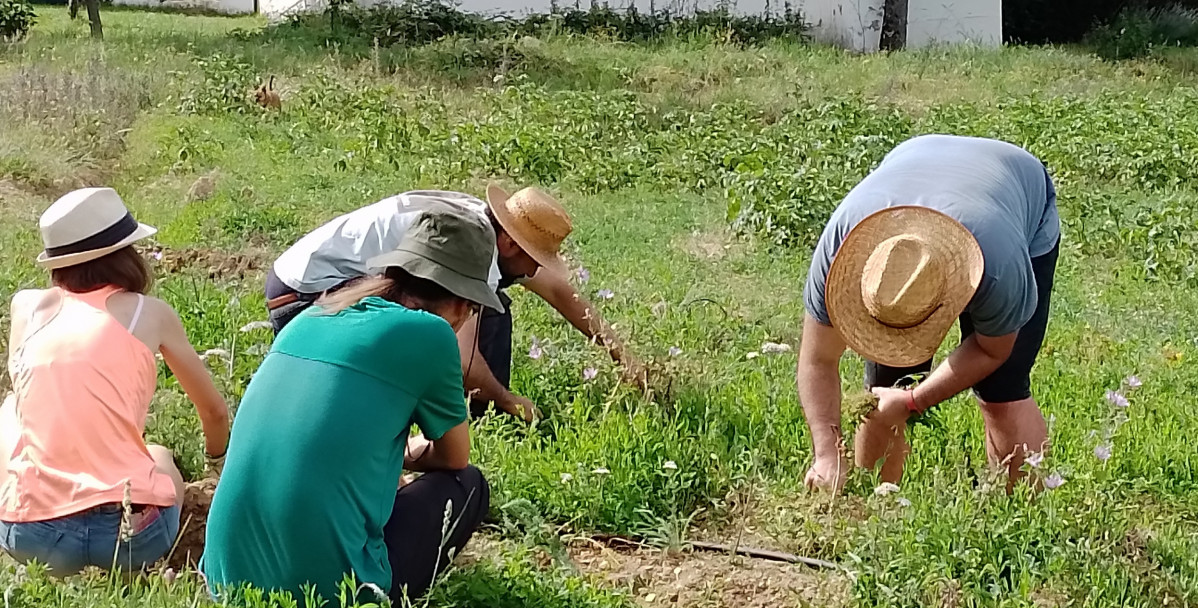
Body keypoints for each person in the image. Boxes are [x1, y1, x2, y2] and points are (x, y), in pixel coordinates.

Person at [201, 205, 496, 605]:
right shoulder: (431, 334)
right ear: (463, 302)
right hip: (331, 592)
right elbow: (454, 458)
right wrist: (406, 456)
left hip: (226, 579)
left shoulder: (316, 314)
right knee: (469, 485)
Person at [798, 134, 1060, 493]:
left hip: (1016, 186)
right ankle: (875, 510)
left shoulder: (999, 266)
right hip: (918, 157)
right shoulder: (837, 253)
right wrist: (827, 455)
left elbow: (991, 350)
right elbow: (817, 361)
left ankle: (1026, 525)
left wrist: (912, 401)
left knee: (1003, 388)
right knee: (882, 391)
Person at [263, 184, 644, 422]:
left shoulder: (482, 227)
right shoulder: (478, 249)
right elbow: (460, 360)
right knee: (454, 317)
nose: (535, 269)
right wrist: (510, 402)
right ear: (509, 244)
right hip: (304, 297)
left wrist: (623, 357)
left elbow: (562, 292)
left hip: (305, 280)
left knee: (489, 308)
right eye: (534, 257)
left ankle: (471, 413)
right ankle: (461, 416)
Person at [0, 187, 230, 574]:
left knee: (10, 412)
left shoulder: (26, 307)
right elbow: (214, 411)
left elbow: (24, 402)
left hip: (33, 536)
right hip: (130, 537)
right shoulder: (149, 314)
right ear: (127, 254)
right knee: (156, 454)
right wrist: (216, 460)